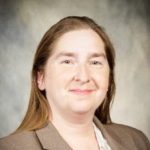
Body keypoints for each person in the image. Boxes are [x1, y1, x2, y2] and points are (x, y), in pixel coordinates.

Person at [0, 16, 150, 150]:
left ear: (109, 76)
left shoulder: (137, 141)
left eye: (95, 62)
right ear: (41, 78)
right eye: (67, 62)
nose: (83, 76)